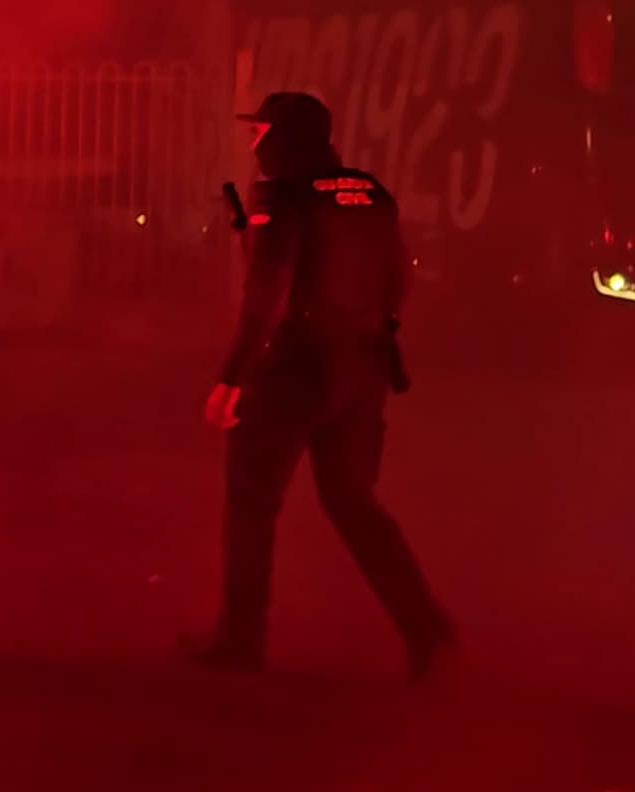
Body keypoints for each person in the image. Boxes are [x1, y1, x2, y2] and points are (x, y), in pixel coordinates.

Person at [193, 91, 455, 677]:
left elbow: (267, 296)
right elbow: (398, 282)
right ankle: (427, 630)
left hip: (297, 371)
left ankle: (240, 643)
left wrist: (233, 378)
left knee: (252, 501)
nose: (254, 142)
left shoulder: (281, 197)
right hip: (364, 371)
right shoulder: (372, 192)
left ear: (283, 137)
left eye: (260, 131)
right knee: (354, 503)